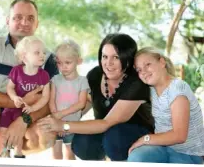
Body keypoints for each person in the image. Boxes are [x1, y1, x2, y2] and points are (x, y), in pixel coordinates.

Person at [0, 0, 59, 156]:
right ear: (8, 21)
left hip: (24, 117)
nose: (24, 22)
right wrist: (19, 102)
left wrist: (23, 120)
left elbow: (51, 102)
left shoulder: (48, 58)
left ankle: (12, 157)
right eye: (18, 17)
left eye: (30, 18)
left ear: (37, 24)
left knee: (48, 132)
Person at [38, 33, 155, 161]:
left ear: (127, 58)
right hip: (106, 132)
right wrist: (57, 119)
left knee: (114, 137)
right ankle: (101, 160)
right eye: (105, 57)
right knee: (81, 141)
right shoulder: (95, 74)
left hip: (137, 133)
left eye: (115, 57)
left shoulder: (136, 82)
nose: (108, 63)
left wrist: (63, 125)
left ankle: (124, 161)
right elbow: (85, 103)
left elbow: (107, 123)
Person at [127, 47, 204, 164]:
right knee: (137, 157)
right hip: (163, 148)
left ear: (162, 62)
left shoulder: (177, 88)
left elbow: (179, 136)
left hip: (188, 154)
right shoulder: (151, 89)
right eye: (138, 70)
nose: (143, 71)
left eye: (147, 64)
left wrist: (145, 139)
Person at [0, 36, 52, 158]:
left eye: (44, 52)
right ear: (25, 57)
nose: (42, 55)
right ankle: (2, 154)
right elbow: (10, 88)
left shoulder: (44, 75)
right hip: (12, 108)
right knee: (3, 130)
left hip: (28, 111)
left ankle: (18, 154)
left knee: (19, 133)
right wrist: (14, 97)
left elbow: (45, 97)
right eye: (37, 52)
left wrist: (33, 108)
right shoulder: (16, 71)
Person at [49, 41, 90, 160]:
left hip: (71, 125)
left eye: (68, 62)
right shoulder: (56, 79)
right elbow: (51, 100)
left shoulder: (82, 81)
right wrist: (57, 119)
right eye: (59, 63)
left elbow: (81, 104)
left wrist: (62, 119)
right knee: (56, 154)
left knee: (69, 153)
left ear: (79, 61)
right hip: (56, 122)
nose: (63, 67)